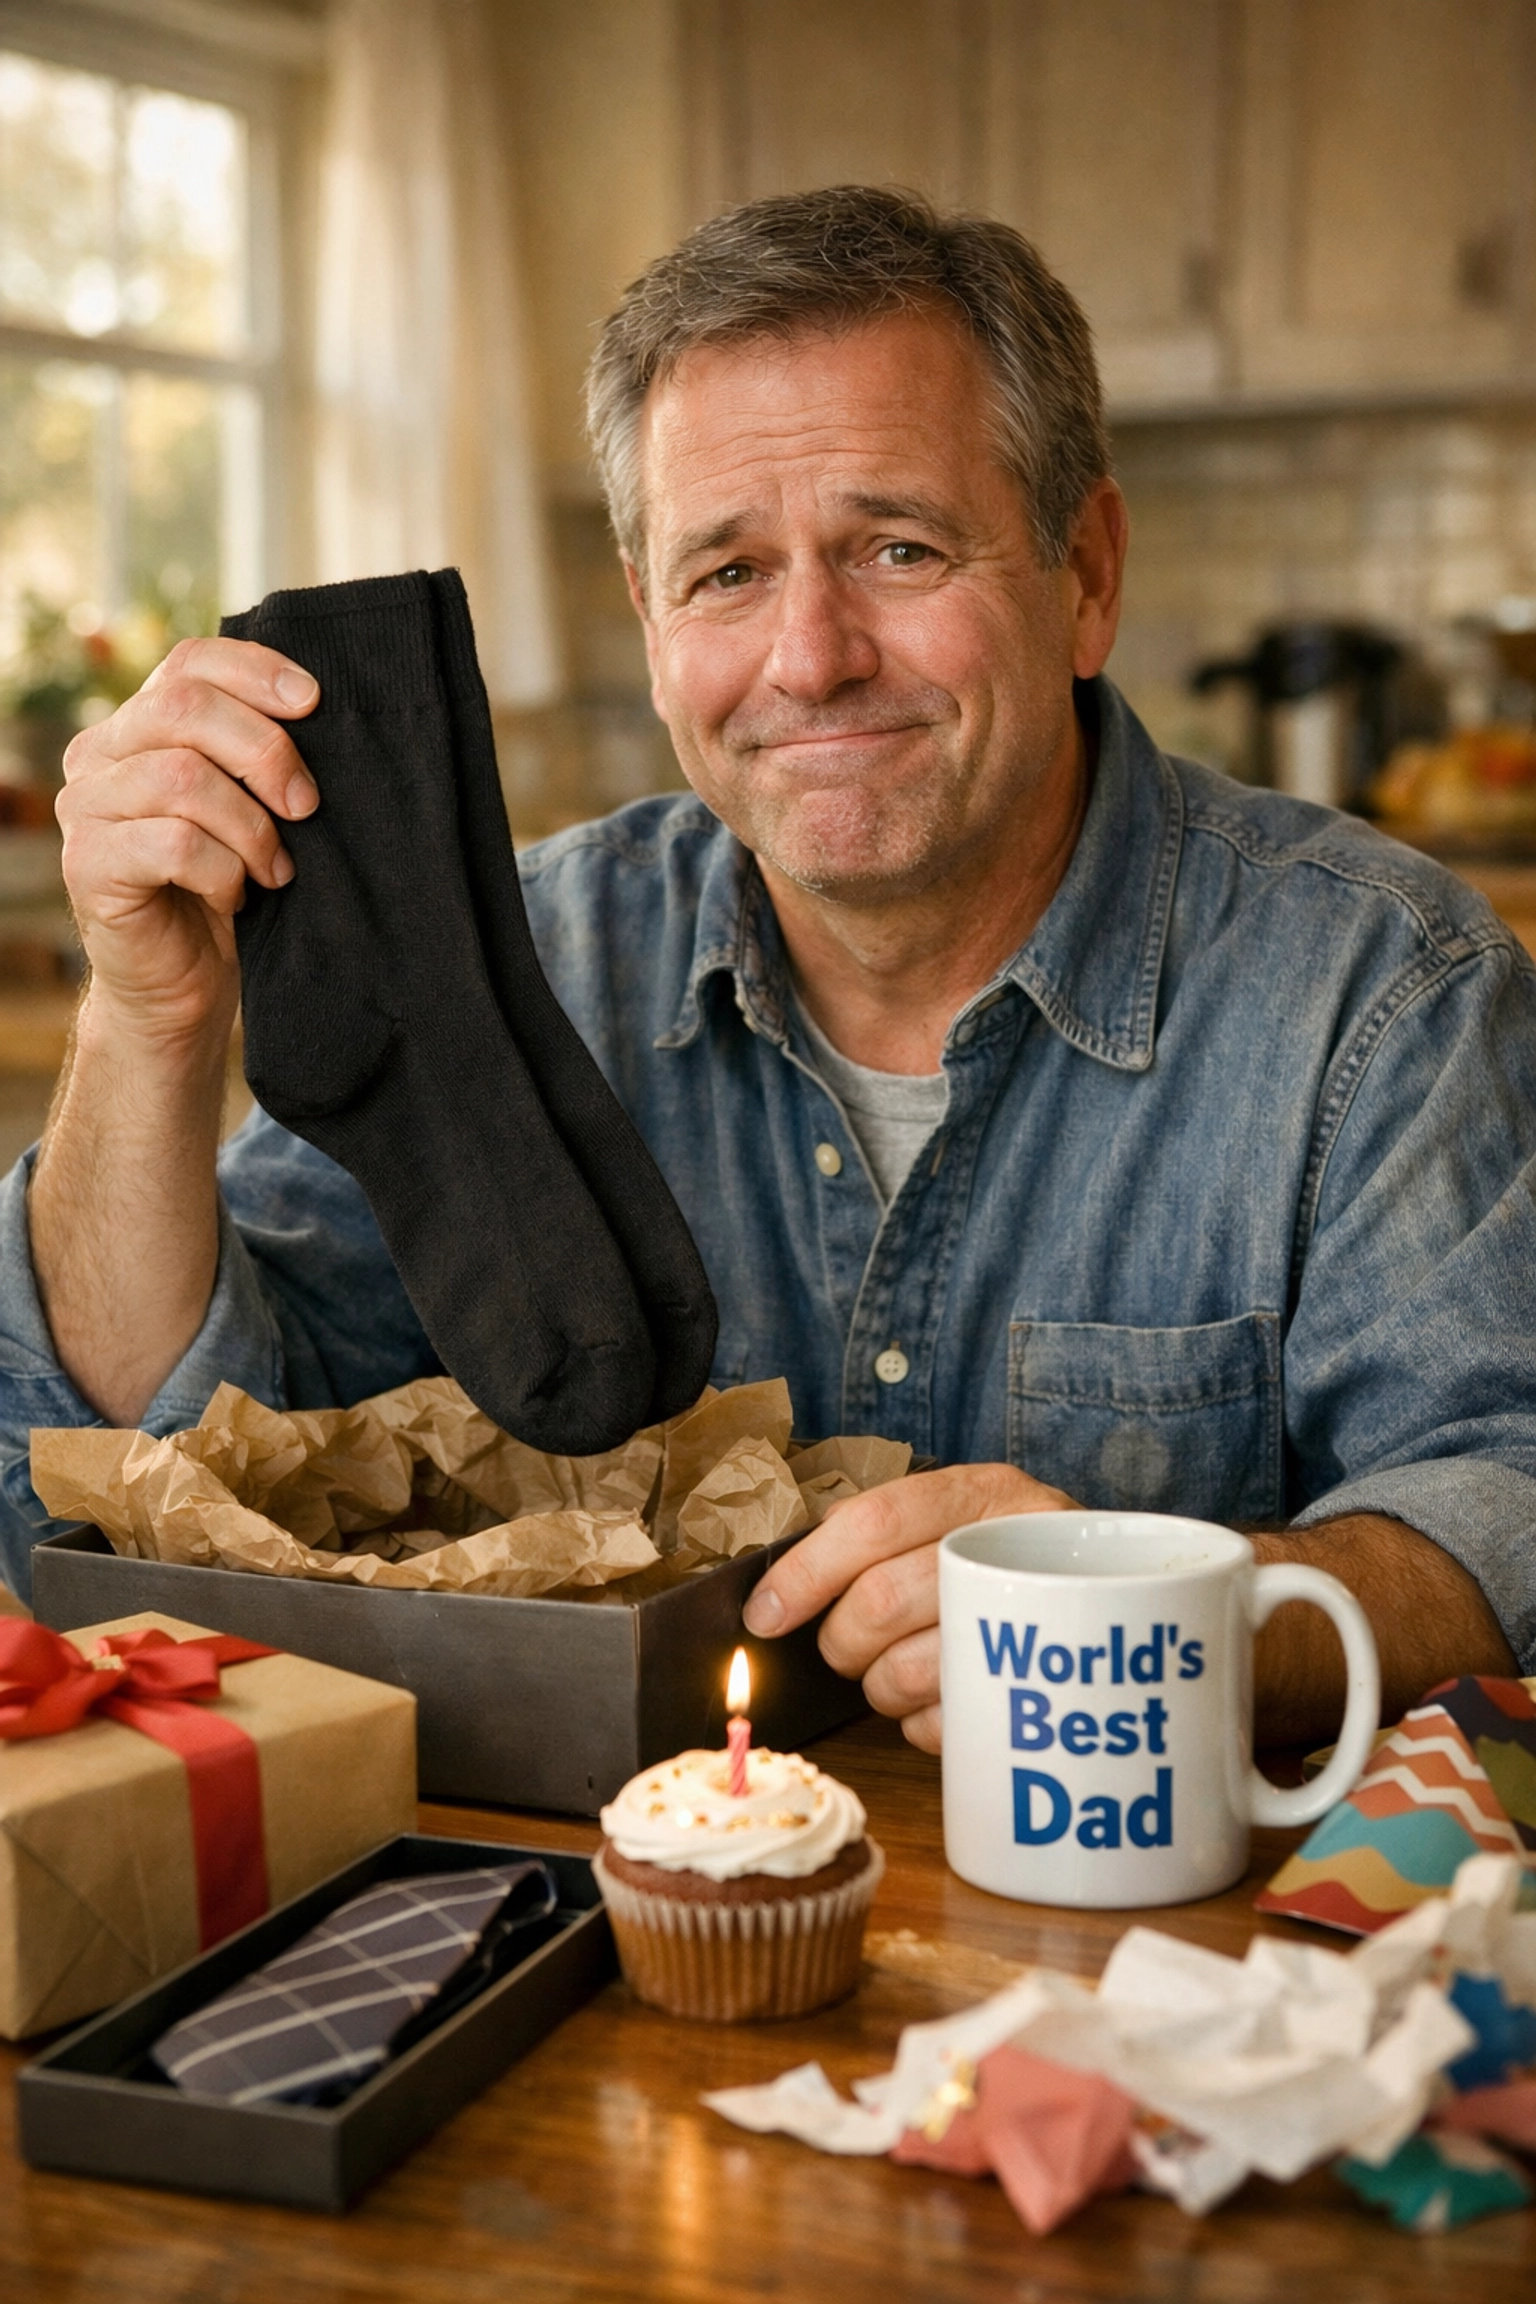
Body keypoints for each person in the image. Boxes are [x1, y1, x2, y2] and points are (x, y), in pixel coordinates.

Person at [8, 188, 1534, 1750]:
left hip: (1163, 1951)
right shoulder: (514, 966)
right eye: (728, 572)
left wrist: (1179, 1612)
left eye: (897, 545)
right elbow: (161, 1459)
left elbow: (1505, 1505)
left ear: (1085, 574)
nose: (811, 657)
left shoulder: (1384, 994)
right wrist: (150, 1017)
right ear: (652, 621)